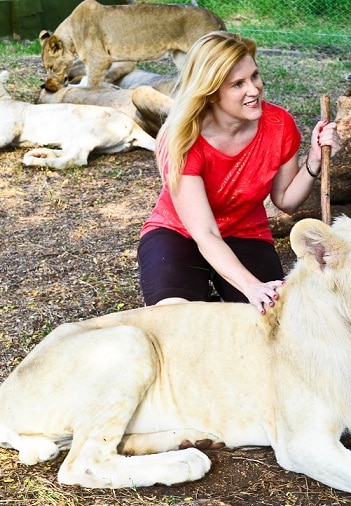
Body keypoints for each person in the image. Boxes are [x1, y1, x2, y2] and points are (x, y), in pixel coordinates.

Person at [138, 31, 340, 315]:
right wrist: (251, 286)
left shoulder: (279, 124)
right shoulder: (182, 139)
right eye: (238, 84)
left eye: (254, 76)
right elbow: (205, 232)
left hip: (245, 233)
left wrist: (315, 159)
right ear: (210, 93)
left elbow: (286, 200)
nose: (254, 90)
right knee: (173, 317)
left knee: (274, 318)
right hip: (179, 233)